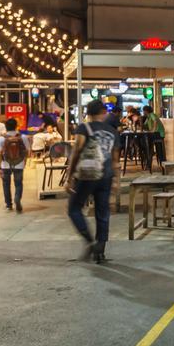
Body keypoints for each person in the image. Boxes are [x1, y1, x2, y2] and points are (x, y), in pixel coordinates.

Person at [65, 101, 117, 263]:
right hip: (106, 176)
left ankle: (89, 241)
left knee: (74, 208)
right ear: (103, 112)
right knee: (103, 213)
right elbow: (116, 160)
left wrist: (70, 176)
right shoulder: (112, 131)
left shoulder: (83, 128)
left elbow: (76, 152)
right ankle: (100, 252)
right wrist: (116, 181)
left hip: (87, 176)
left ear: (88, 113)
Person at [0, 118, 30, 213]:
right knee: (18, 183)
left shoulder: (1, 138)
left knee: (6, 184)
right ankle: (17, 198)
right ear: (16, 126)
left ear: (6, 127)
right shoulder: (23, 137)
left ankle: (9, 205)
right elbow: (27, 151)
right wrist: (24, 161)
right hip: (19, 163)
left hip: (5, 165)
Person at [141, 105, 165, 172]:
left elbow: (155, 121)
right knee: (144, 143)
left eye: (144, 111)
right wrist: (139, 121)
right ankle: (148, 156)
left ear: (146, 111)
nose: (143, 112)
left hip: (159, 134)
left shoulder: (152, 114)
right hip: (155, 134)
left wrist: (153, 130)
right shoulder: (148, 117)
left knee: (146, 144)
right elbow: (145, 125)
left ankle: (149, 156)